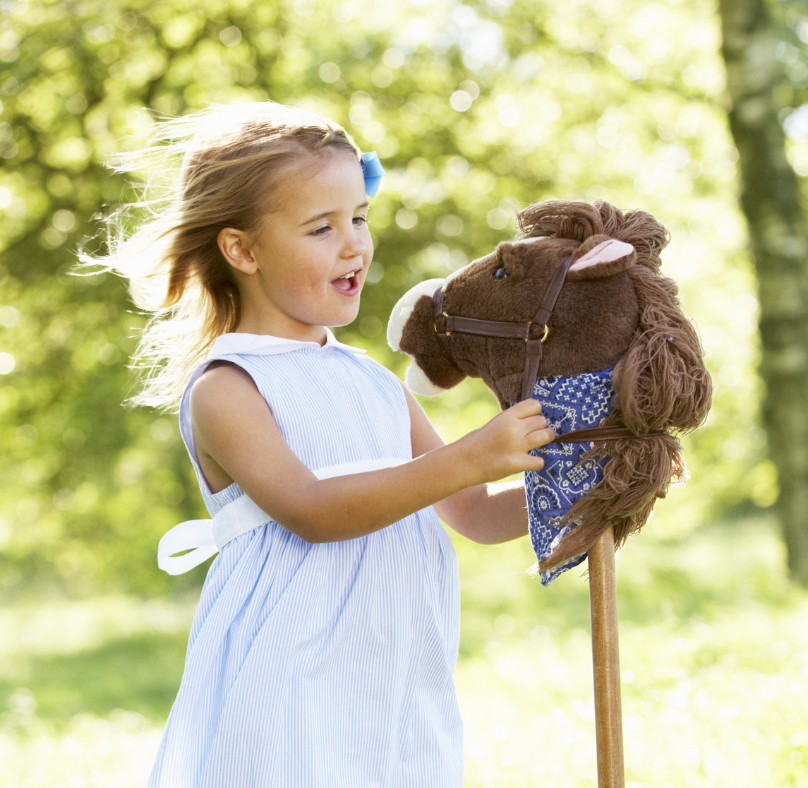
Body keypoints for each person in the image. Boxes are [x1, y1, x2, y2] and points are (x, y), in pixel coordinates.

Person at [92, 102, 555, 787]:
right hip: (291, 680)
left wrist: (583, 483)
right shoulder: (228, 387)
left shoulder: (370, 381)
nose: (355, 246)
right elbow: (311, 510)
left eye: (359, 218)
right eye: (322, 227)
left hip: (395, 679)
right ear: (242, 250)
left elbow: (476, 513)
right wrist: (469, 454)